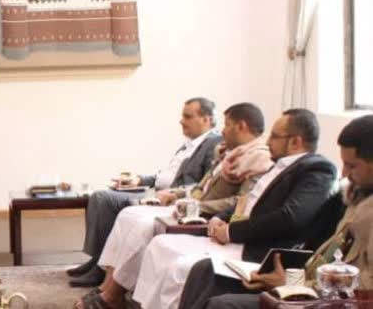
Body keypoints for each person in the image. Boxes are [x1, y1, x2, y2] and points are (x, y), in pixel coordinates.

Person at [128, 108, 337, 309]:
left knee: (183, 267)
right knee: (160, 245)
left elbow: (291, 217)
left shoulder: (317, 169)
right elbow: (248, 201)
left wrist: (231, 231)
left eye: (274, 136)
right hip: (238, 236)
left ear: (295, 142)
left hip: (258, 250)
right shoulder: (279, 165)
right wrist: (221, 217)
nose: (267, 141)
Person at [76, 102, 272, 308]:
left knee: (144, 226)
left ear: (241, 126)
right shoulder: (229, 154)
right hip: (192, 205)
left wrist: (196, 206)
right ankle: (108, 288)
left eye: (227, 125)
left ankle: (115, 294)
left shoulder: (258, 158)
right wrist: (180, 195)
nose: (222, 130)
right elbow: (201, 186)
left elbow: (241, 202)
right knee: (128, 215)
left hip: (205, 216)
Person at [178, 114, 373, 309]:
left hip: (325, 297)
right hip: (309, 285)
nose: (344, 173)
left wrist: (293, 284)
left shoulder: (318, 170)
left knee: (222, 305)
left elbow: (361, 289)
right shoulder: (356, 196)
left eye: (352, 165)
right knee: (205, 271)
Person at [69, 97, 223, 287]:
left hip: (168, 197)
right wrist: (139, 180)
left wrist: (175, 194)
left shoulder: (213, 143)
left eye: (188, 116)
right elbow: (166, 174)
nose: (181, 121)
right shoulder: (189, 144)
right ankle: (97, 260)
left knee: (103, 199)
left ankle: (99, 268)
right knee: (99, 197)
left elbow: (204, 183)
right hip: (156, 190)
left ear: (206, 119)